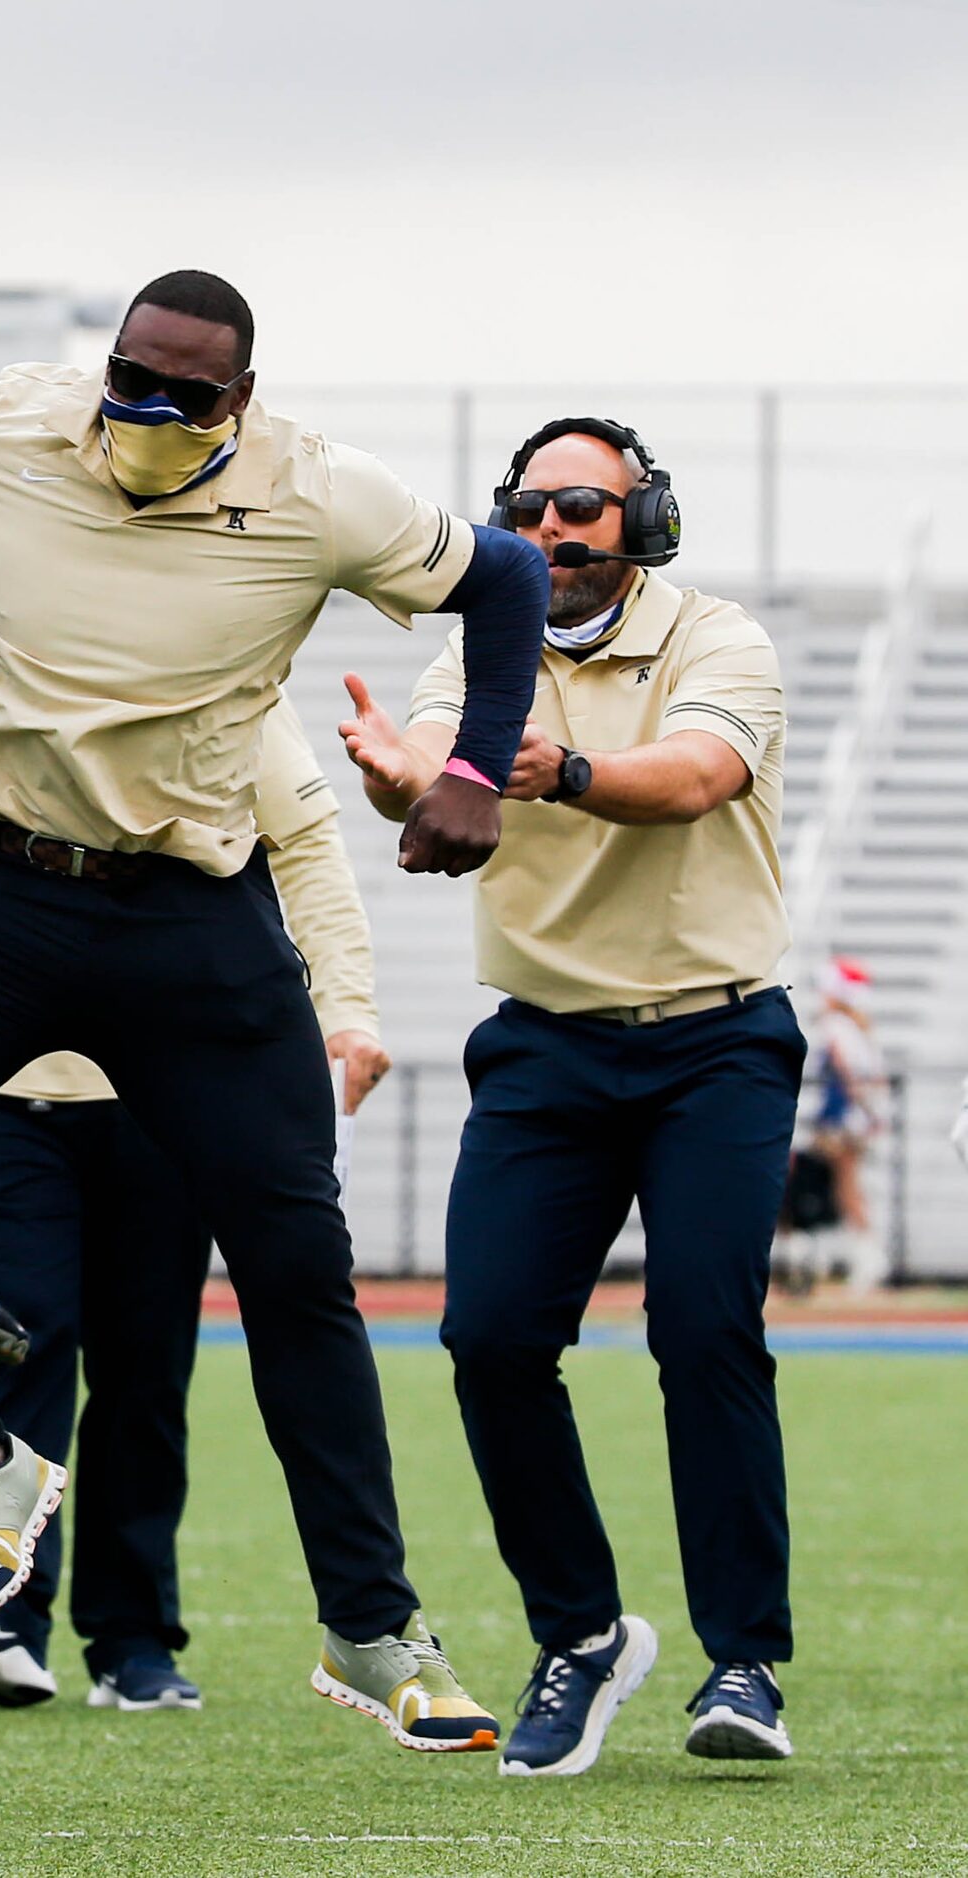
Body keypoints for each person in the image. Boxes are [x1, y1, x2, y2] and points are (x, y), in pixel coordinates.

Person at [0, 269, 543, 1747]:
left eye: (181, 394)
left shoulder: (317, 492)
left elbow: (505, 578)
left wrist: (474, 768)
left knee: (292, 1258)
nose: (143, 409)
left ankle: (370, 1619)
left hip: (183, 915)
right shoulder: (7, 425)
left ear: (239, 402)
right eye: (127, 376)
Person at [343, 414, 803, 1773]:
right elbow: (428, 764)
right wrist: (401, 779)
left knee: (702, 1330)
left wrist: (560, 770)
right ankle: (583, 1634)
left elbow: (697, 777)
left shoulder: (716, 638)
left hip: (712, 1038)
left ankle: (741, 1660)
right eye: (534, 508)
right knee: (485, 1340)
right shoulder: (476, 644)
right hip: (543, 1045)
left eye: (585, 507)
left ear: (640, 519)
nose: (555, 531)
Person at [0, 661, 391, 1713]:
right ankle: (0, 1613)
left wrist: (350, 1004)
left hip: (167, 1077)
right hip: (5, 1086)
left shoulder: (223, 654)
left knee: (146, 1370)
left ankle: (133, 1638)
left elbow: (304, 840)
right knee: (23, 1337)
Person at [805, 954, 887, 1290]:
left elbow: (848, 1074)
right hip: (852, 1119)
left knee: (845, 1189)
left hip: (844, 1121)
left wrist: (861, 1113)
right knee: (842, 1188)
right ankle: (853, 1258)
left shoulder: (837, 1026)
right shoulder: (857, 1026)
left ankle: (866, 1260)